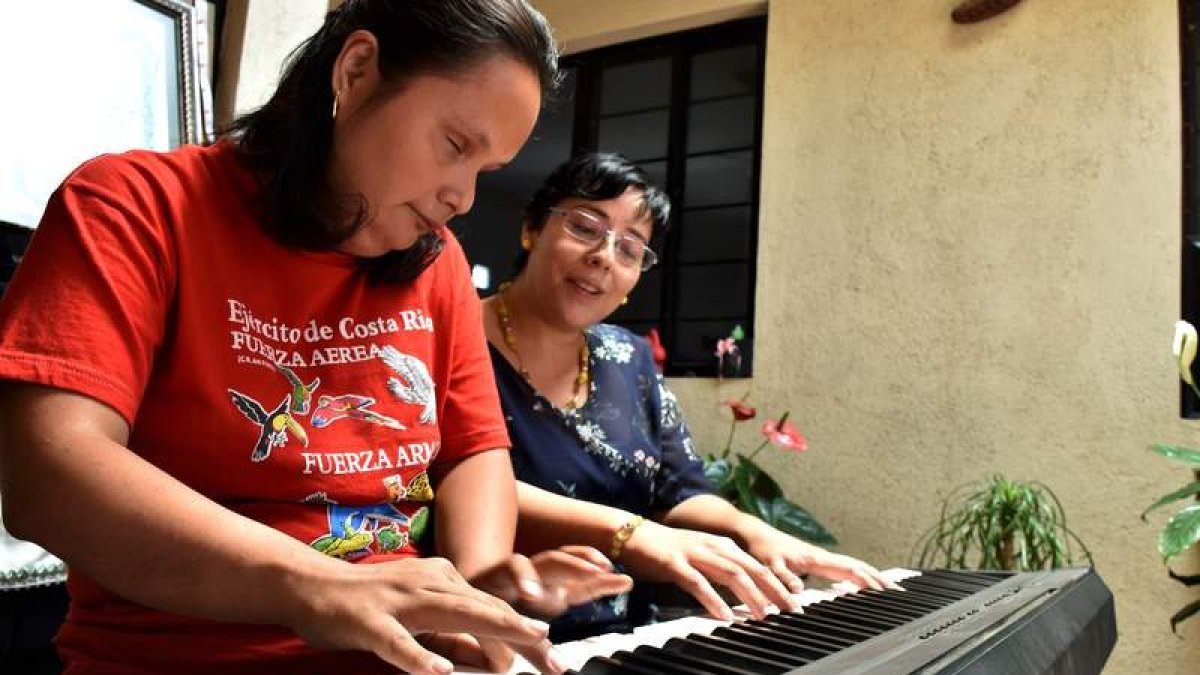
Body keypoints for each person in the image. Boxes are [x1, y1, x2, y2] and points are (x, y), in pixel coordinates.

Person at [0, 3, 633, 674]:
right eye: (455, 145)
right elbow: (48, 473)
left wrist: (474, 590)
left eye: (487, 169)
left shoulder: (438, 261)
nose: (465, 196)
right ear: (356, 70)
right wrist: (314, 583)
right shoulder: (133, 205)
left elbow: (475, 451)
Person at [482, 153, 899, 641]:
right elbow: (453, 482)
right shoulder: (455, 338)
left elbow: (680, 492)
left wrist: (755, 533)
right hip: (494, 635)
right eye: (584, 227)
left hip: (629, 640)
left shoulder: (629, 359)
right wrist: (634, 534)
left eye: (630, 249)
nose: (603, 256)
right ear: (532, 228)